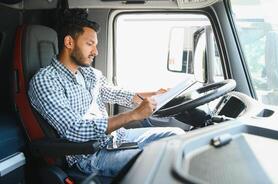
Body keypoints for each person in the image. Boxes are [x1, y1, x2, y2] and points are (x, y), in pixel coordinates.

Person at [28, 17, 185, 180]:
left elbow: (114, 92)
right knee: (158, 160)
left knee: (177, 136)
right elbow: (74, 129)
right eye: (90, 44)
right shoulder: (46, 80)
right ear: (69, 42)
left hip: (115, 138)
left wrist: (154, 94)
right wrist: (133, 115)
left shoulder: (88, 73)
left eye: (95, 45)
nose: (96, 52)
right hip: (89, 154)